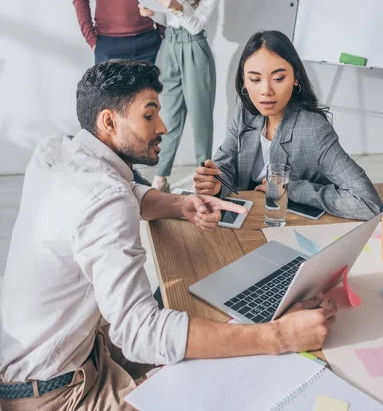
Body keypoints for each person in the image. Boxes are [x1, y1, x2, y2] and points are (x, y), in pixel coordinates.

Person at [0, 60, 337, 410]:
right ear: (108, 121)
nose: (163, 125)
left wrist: (180, 205)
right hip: (57, 394)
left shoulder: (55, 151)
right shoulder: (104, 200)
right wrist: (279, 336)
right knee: (242, 375)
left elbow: (119, 191)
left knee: (220, 329)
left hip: (52, 358)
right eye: (149, 115)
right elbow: (139, 333)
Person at [194, 31, 381, 220]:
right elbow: (224, 166)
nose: (266, 91)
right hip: (249, 215)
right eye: (255, 79)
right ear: (244, 81)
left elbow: (367, 203)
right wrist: (216, 184)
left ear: (296, 78)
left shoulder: (313, 129)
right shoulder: (245, 113)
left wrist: (292, 188)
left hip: (291, 221)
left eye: (278, 78)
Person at [139, 0, 220, 193]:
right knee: (169, 116)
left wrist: (177, 6)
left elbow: (198, 25)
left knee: (200, 117)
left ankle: (203, 179)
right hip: (170, 46)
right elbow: (170, 19)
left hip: (195, 49)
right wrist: (154, 13)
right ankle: (160, 177)